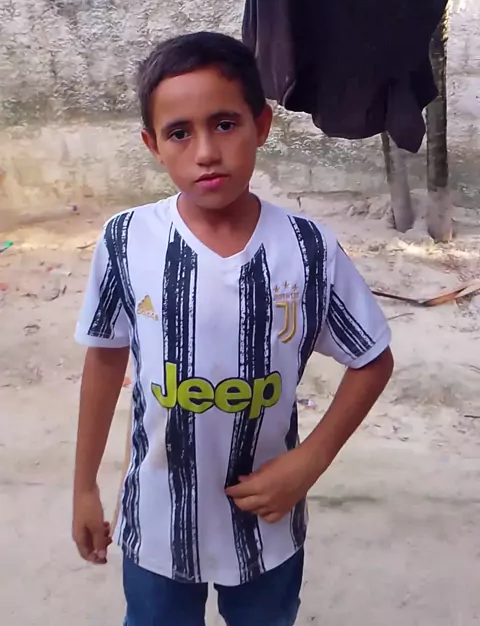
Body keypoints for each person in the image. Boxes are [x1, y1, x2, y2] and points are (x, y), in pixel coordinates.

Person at [72, 31, 394, 626]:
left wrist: (310, 461)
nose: (205, 152)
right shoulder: (126, 240)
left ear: (261, 125)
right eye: (179, 133)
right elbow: (104, 357)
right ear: (152, 145)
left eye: (224, 124)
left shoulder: (308, 249)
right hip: (159, 525)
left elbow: (372, 358)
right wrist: (85, 487)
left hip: (267, 526)